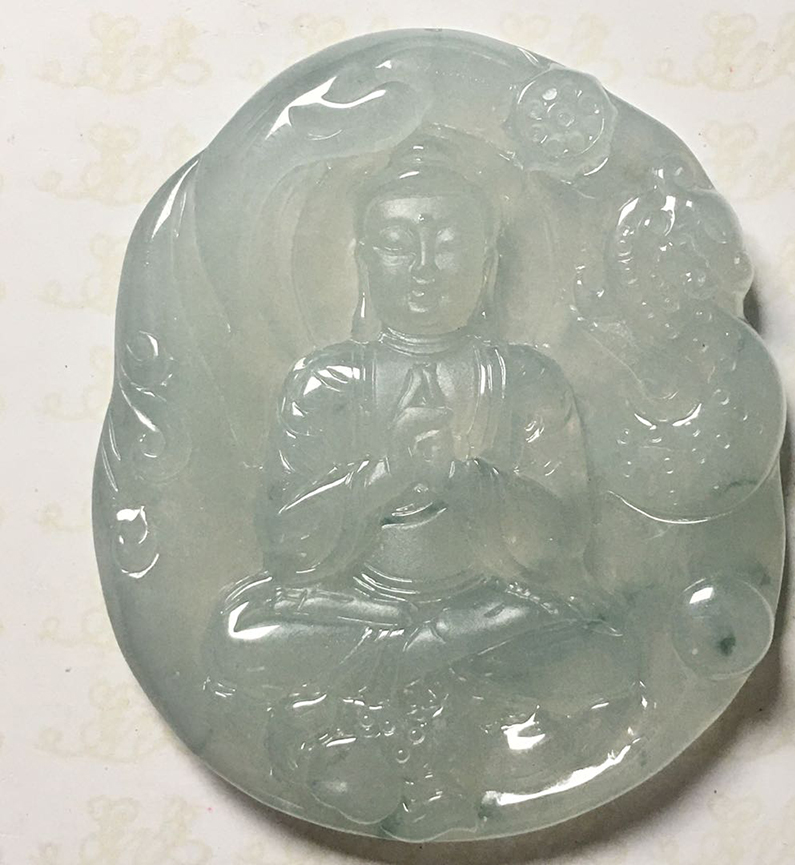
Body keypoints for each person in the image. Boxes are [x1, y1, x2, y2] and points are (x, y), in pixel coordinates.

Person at [208, 134, 641, 834]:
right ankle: (435, 658)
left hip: (489, 604)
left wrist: (463, 480)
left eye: (446, 243)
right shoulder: (326, 383)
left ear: (487, 264)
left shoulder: (526, 380)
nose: (422, 268)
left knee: (604, 646)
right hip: (365, 608)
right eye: (396, 244)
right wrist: (384, 478)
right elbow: (287, 547)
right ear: (363, 261)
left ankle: (415, 667)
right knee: (239, 634)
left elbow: (560, 542)